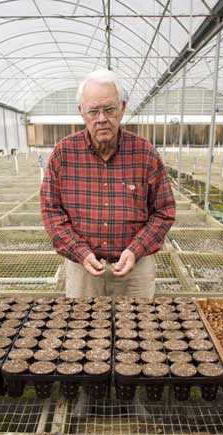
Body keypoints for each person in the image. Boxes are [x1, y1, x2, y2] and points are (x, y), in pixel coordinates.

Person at [41, 69, 175, 299]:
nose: (101, 118)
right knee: (82, 330)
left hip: (135, 270)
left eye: (109, 109)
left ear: (122, 108)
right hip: (83, 270)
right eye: (93, 111)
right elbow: (52, 211)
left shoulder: (144, 153)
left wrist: (135, 250)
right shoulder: (64, 154)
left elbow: (164, 211)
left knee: (138, 329)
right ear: (81, 113)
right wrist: (80, 252)